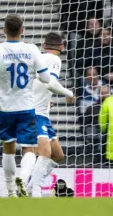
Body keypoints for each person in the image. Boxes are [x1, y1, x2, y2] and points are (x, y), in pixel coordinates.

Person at [0, 14, 68, 197]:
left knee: (8, 150)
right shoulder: (32, 50)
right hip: (26, 108)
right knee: (29, 150)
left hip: (5, 108)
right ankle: (23, 179)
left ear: (4, 30)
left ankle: (10, 191)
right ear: (22, 30)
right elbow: (46, 78)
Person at [27, 32, 75, 197]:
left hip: (41, 112)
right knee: (45, 152)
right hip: (34, 113)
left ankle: (28, 189)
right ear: (61, 47)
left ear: (43, 45)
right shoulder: (54, 59)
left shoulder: (39, 59)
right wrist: (69, 93)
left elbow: (35, 83)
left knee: (57, 155)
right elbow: (51, 84)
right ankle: (35, 191)